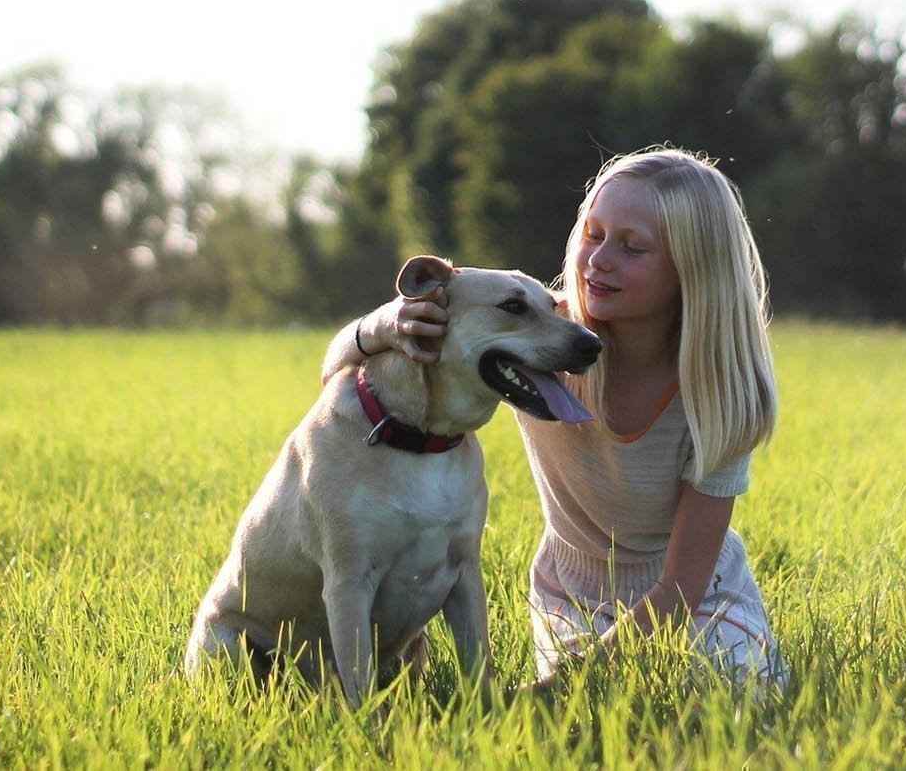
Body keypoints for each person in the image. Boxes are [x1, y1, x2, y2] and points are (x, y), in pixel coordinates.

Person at [322, 147, 787, 691]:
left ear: (692, 269)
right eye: (593, 234)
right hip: (573, 595)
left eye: (632, 247)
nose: (598, 260)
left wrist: (547, 693)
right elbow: (337, 365)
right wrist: (384, 325)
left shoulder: (722, 391)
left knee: (726, 691)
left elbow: (681, 589)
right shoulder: (535, 334)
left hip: (698, 595)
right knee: (601, 708)